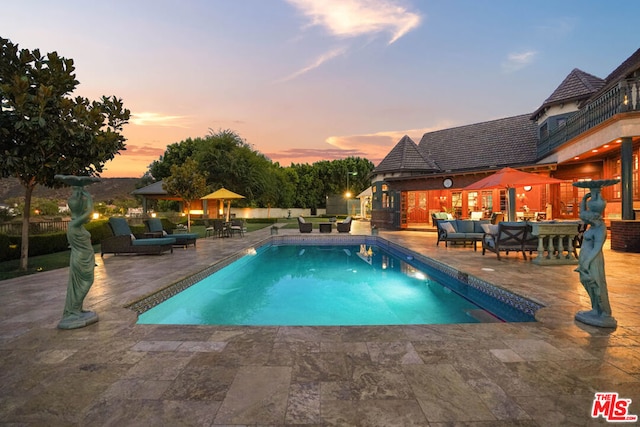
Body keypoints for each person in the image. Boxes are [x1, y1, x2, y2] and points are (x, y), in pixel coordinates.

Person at [56, 176, 100, 329]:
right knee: (86, 282)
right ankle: (73, 310)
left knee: (80, 284)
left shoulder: (76, 226)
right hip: (81, 259)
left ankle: (77, 309)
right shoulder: (74, 225)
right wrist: (88, 199)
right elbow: (89, 213)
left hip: (84, 258)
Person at [574, 190, 615, 326]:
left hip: (593, 260)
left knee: (596, 283)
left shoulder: (600, 229)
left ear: (593, 218)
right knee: (586, 282)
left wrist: (586, 262)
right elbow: (582, 214)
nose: (585, 219)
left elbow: (597, 249)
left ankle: (603, 311)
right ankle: (595, 308)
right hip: (585, 257)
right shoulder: (593, 226)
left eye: (587, 218)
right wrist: (584, 200)